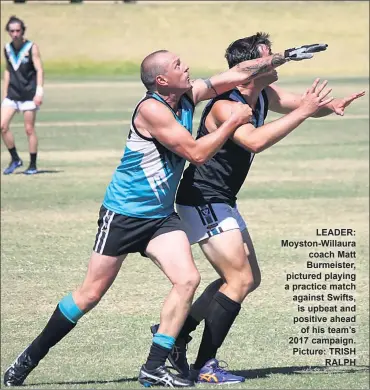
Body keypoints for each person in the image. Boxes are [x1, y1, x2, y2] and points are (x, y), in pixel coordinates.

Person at [4, 43, 326, 388]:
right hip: (124, 214)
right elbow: (197, 153)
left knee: (187, 279)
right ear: (161, 80)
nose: (186, 67)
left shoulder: (188, 95)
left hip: (160, 217)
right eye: (177, 65)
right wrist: (231, 119)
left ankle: (154, 367)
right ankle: (28, 358)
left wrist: (284, 57)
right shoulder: (152, 111)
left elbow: (237, 73)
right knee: (90, 295)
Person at [149, 33, 365, 385]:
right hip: (203, 198)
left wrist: (332, 105)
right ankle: (204, 365)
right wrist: (307, 112)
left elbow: (299, 103)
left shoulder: (263, 93)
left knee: (247, 279)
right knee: (240, 279)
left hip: (221, 200)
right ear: (250, 69)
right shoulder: (226, 104)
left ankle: (174, 334)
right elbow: (254, 141)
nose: (275, 62)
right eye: (269, 57)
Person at [1, 15, 44, 175]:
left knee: (29, 129)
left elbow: (39, 69)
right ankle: (15, 159)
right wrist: (5, 93)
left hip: (29, 94)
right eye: (12, 31)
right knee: (2, 126)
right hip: (12, 94)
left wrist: (39, 92)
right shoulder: (7, 48)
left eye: (18, 30)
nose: (15, 34)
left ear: (22, 31)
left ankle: (32, 165)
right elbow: (8, 70)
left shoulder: (31, 47)